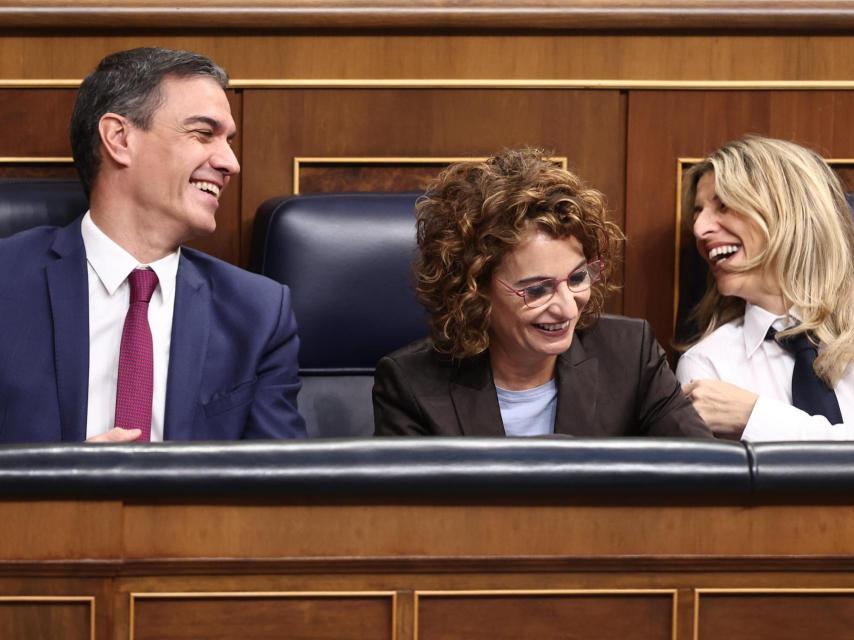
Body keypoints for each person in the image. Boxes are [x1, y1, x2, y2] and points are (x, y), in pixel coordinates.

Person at [0, 47, 305, 443]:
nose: (231, 162)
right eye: (203, 133)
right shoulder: (7, 282)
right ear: (119, 138)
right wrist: (64, 485)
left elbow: (281, 491)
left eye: (229, 140)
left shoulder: (258, 314)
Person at [373, 149, 710, 437]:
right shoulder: (411, 385)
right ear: (474, 289)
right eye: (536, 289)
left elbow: (707, 475)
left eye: (577, 278)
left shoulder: (629, 355)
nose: (566, 308)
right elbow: (406, 513)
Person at [676, 136, 854, 440]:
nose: (699, 229)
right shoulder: (707, 366)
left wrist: (755, 417)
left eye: (725, 205)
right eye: (698, 211)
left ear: (791, 214)